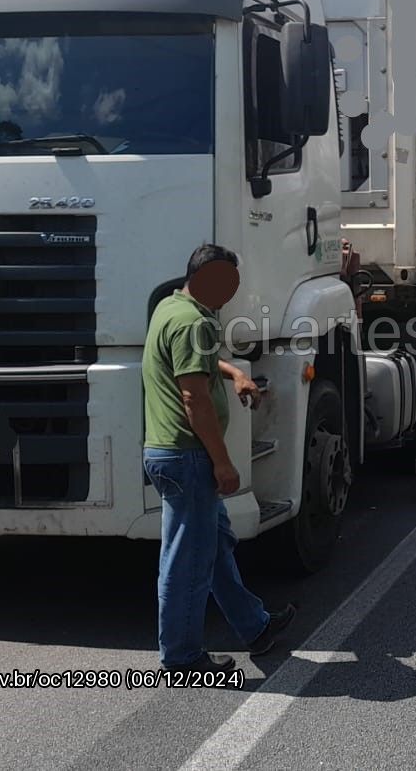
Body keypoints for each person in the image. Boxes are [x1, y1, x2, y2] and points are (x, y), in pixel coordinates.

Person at [143, 243, 295, 673]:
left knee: (215, 546)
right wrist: (222, 462)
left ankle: (255, 627)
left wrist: (236, 373)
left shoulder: (171, 308)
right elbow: (193, 396)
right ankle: (183, 659)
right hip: (188, 457)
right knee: (186, 562)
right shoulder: (194, 323)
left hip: (170, 454)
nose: (231, 292)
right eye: (226, 282)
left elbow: (196, 365)